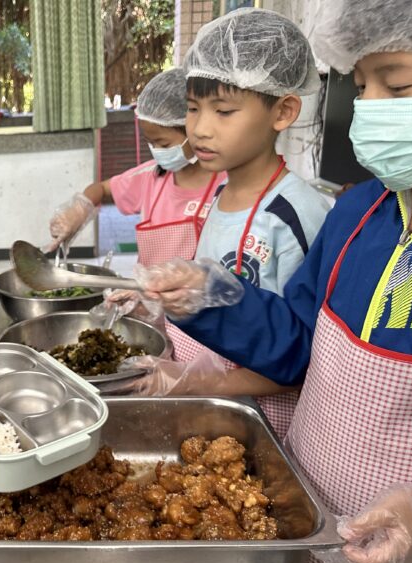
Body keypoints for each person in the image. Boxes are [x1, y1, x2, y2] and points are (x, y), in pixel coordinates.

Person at [138, 0, 412, 563]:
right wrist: (213, 297)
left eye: (396, 88)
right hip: (308, 516)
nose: (368, 107)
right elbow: (299, 345)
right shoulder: (360, 213)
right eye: (362, 85)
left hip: (409, 552)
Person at [140, 9, 332, 438]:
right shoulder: (218, 193)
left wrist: (202, 381)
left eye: (223, 111)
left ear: (282, 112)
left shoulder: (298, 214)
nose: (200, 129)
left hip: (262, 419)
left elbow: (305, 356)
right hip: (209, 404)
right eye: (192, 109)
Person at [46, 68, 227, 266]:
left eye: (164, 144)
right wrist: (78, 211)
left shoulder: (228, 183)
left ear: (195, 129)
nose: (157, 151)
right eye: (151, 143)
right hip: (149, 294)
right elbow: (102, 188)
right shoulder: (150, 177)